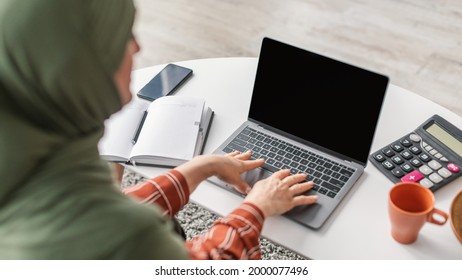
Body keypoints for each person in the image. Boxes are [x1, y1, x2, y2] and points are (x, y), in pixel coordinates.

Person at [0, 0, 317, 259]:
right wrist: (256, 207)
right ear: (77, 65)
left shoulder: (26, 160)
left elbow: (121, 208)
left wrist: (204, 165)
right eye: (119, 37)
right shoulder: (120, 238)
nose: (137, 47)